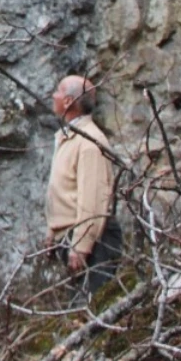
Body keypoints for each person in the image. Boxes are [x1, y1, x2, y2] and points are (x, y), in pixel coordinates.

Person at [46, 75, 122, 296]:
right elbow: (63, 191)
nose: (53, 95)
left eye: (58, 91)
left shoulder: (89, 142)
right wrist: (52, 233)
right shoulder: (69, 138)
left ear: (69, 101)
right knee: (78, 310)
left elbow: (93, 199)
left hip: (94, 243)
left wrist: (81, 245)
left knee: (92, 309)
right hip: (72, 237)